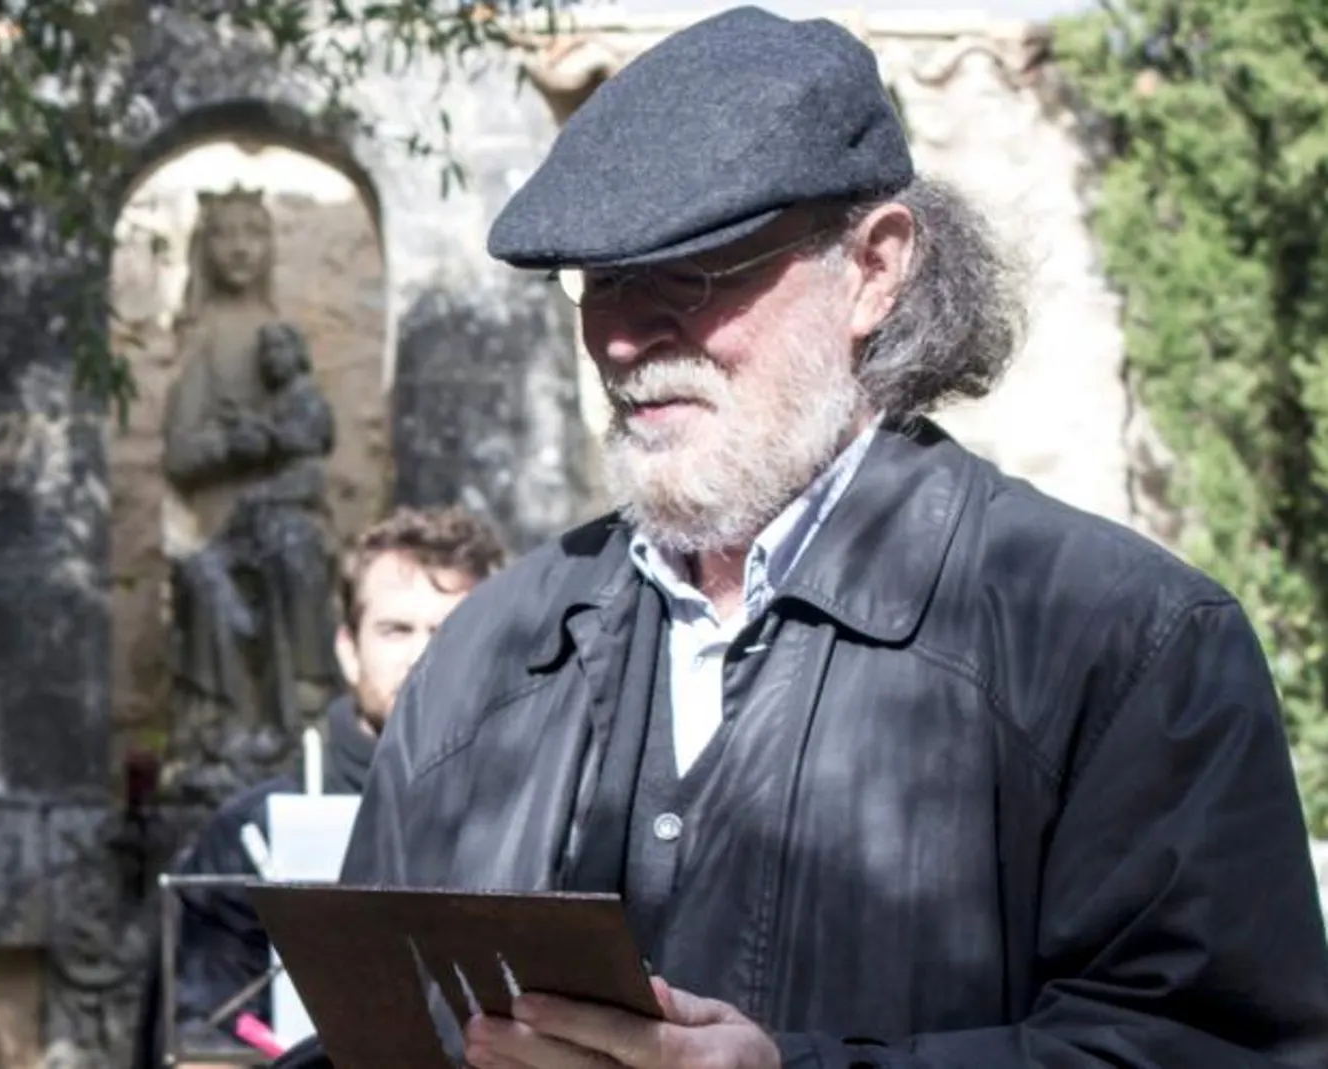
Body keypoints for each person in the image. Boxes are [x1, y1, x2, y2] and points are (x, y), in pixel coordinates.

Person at [337, 7, 1328, 1069]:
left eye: (689, 273)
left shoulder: (1124, 643)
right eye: (600, 281)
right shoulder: (485, 653)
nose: (622, 337)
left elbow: (1213, 1050)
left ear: (874, 266)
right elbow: (374, 1031)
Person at [135, 506, 507, 1069]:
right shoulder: (252, 837)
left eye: (451, 631)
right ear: (347, 649)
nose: (423, 656)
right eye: (395, 629)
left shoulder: (541, 814)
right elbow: (199, 1050)